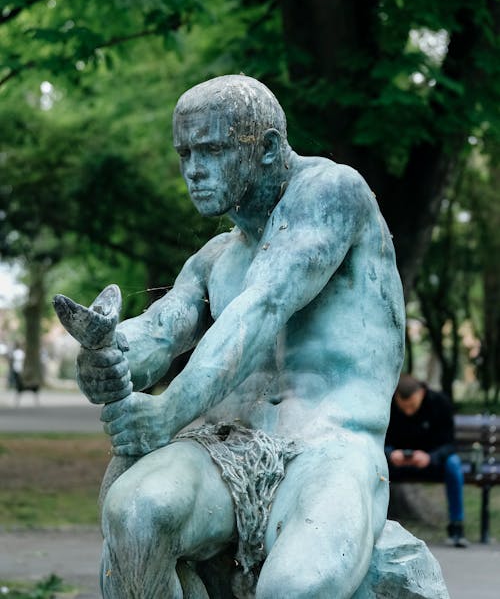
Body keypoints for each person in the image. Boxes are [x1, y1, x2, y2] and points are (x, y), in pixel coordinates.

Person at [54, 75, 405, 599]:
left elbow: (262, 307)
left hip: (328, 449)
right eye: (185, 152)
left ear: (265, 149)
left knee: (296, 590)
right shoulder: (216, 257)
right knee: (136, 514)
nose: (194, 169)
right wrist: (106, 356)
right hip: (226, 448)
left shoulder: (334, 194)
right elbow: (154, 331)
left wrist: (167, 412)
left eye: (213, 150)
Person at [385, 373, 467, 548]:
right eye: (403, 406)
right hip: (396, 463)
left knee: (453, 464)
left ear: (421, 393)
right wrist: (390, 454)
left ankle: (456, 525)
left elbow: (450, 444)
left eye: (412, 406)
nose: (408, 411)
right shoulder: (387, 403)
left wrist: (431, 457)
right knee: (372, 466)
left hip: (431, 461)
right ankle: (376, 524)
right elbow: (379, 440)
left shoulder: (440, 403)